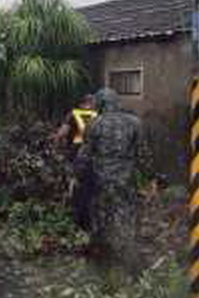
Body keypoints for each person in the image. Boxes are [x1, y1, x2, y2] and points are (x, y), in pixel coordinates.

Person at [79, 87, 142, 273]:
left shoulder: (94, 124)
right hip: (126, 181)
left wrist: (77, 176)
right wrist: (148, 179)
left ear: (100, 103)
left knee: (100, 219)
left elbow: (85, 155)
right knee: (127, 217)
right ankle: (128, 262)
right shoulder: (135, 123)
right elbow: (144, 155)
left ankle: (100, 263)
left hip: (101, 182)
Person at [54, 94, 98, 230]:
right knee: (90, 185)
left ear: (81, 103)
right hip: (93, 155)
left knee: (74, 182)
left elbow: (62, 133)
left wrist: (57, 144)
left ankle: (73, 212)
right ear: (92, 103)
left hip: (75, 153)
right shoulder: (98, 115)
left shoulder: (73, 114)